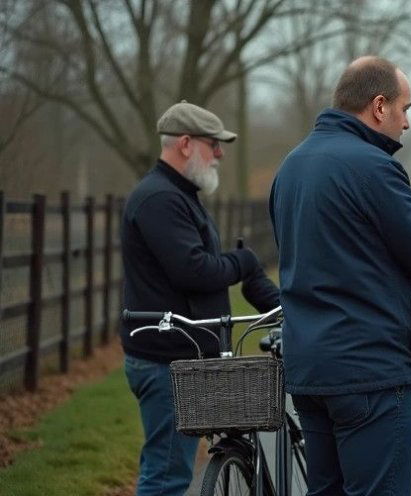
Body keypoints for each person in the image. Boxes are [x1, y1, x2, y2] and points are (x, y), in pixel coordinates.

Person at [269, 56, 411, 495]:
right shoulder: (373, 167)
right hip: (368, 372)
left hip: (310, 371)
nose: (406, 123)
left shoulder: (291, 166)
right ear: (379, 106)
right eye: (404, 109)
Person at [120, 101, 279, 496]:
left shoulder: (178, 194)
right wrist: (243, 262)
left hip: (178, 356)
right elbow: (193, 270)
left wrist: (245, 270)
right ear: (186, 144)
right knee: (166, 478)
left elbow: (198, 265)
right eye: (214, 144)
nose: (220, 154)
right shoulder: (160, 199)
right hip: (166, 361)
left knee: (166, 469)